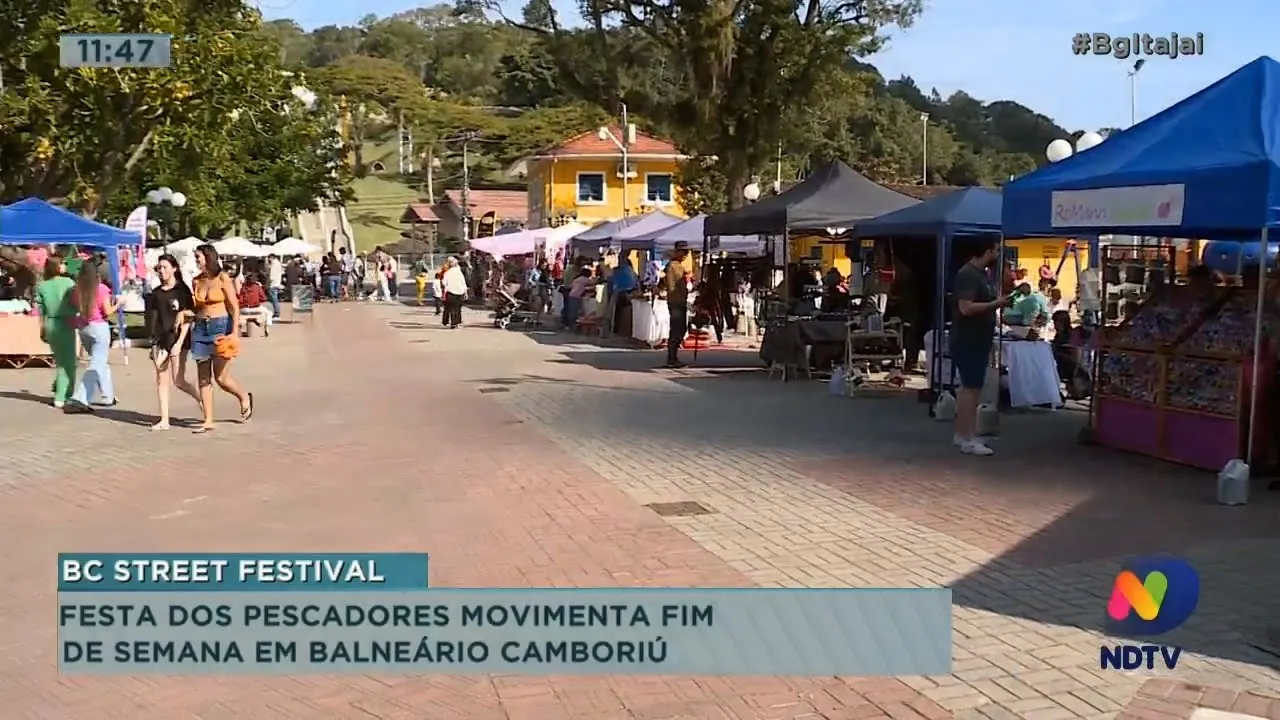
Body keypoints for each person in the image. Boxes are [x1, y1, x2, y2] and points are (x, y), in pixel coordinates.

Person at [950, 239, 1010, 456]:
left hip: (977, 338)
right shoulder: (968, 274)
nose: (997, 254)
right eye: (995, 250)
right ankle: (968, 437)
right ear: (986, 251)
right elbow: (965, 308)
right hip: (969, 339)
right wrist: (996, 304)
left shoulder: (981, 274)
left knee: (970, 387)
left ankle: (961, 434)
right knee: (971, 389)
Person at [191, 244, 254, 433]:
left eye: (198, 257)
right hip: (201, 328)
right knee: (203, 377)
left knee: (221, 377)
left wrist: (234, 332)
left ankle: (243, 396)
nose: (196, 261)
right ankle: (208, 419)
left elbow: (234, 307)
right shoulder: (197, 281)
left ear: (208, 258)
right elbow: (195, 307)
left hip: (220, 327)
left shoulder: (222, 278)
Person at [146, 254, 201, 430]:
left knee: (178, 380)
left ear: (174, 269)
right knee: (161, 378)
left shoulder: (182, 291)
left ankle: (201, 398)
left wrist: (178, 343)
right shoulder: (156, 294)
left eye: (165, 267)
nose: (161, 271)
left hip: (179, 339)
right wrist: (153, 343)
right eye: (159, 268)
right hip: (162, 340)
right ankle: (164, 419)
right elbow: (153, 320)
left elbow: (189, 317)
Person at [69, 262, 119, 410]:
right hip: (99, 327)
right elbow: (108, 311)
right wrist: (118, 304)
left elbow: (74, 306)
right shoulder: (101, 289)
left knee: (100, 361)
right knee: (97, 363)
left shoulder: (75, 290)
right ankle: (81, 397)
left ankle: (108, 396)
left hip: (83, 327)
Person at [34, 256, 79, 409]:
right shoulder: (69, 283)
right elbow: (76, 303)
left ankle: (61, 388)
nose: (65, 265)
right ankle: (63, 394)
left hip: (51, 323)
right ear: (57, 267)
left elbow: (40, 310)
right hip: (66, 322)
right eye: (63, 263)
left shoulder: (42, 286)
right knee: (68, 362)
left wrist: (42, 327)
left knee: (61, 359)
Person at [662, 242, 691, 368]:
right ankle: (672, 358)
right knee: (676, 329)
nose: (684, 255)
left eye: (686, 253)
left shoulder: (679, 266)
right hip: (675, 302)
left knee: (681, 329)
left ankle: (674, 356)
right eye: (682, 252)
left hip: (680, 301)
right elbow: (670, 285)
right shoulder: (672, 266)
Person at [440, 256, 468, 329]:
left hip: (451, 292)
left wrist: (446, 288)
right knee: (458, 309)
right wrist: (465, 292)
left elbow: (443, 282)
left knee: (452, 308)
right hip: (460, 292)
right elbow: (463, 282)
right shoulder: (459, 273)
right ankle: (458, 322)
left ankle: (453, 323)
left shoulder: (447, 273)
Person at [266, 254, 284, 320]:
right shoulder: (278, 263)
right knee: (275, 299)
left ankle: (277, 314)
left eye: (269, 258)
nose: (268, 260)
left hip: (273, 284)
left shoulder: (274, 264)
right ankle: (276, 314)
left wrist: (268, 282)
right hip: (277, 283)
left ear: (271, 258)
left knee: (274, 300)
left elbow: (271, 276)